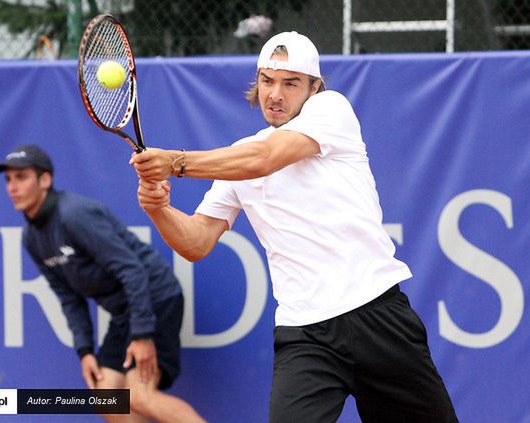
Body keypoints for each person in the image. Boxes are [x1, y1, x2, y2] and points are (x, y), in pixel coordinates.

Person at [130, 32, 458, 422]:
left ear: (314, 88)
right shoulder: (237, 160)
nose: (276, 94)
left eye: (291, 83)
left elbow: (266, 158)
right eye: (267, 81)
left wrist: (178, 163)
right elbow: (197, 242)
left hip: (378, 317)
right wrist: (159, 209)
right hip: (305, 335)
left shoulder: (332, 111)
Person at [0, 144, 205, 423]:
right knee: (105, 396)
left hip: (155, 298)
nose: (12, 187)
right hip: (125, 313)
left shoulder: (74, 214)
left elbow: (132, 270)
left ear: (45, 180)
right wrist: (85, 351)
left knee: (139, 395)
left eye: (21, 177)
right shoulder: (32, 238)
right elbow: (69, 298)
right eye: (8, 179)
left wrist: (142, 335)